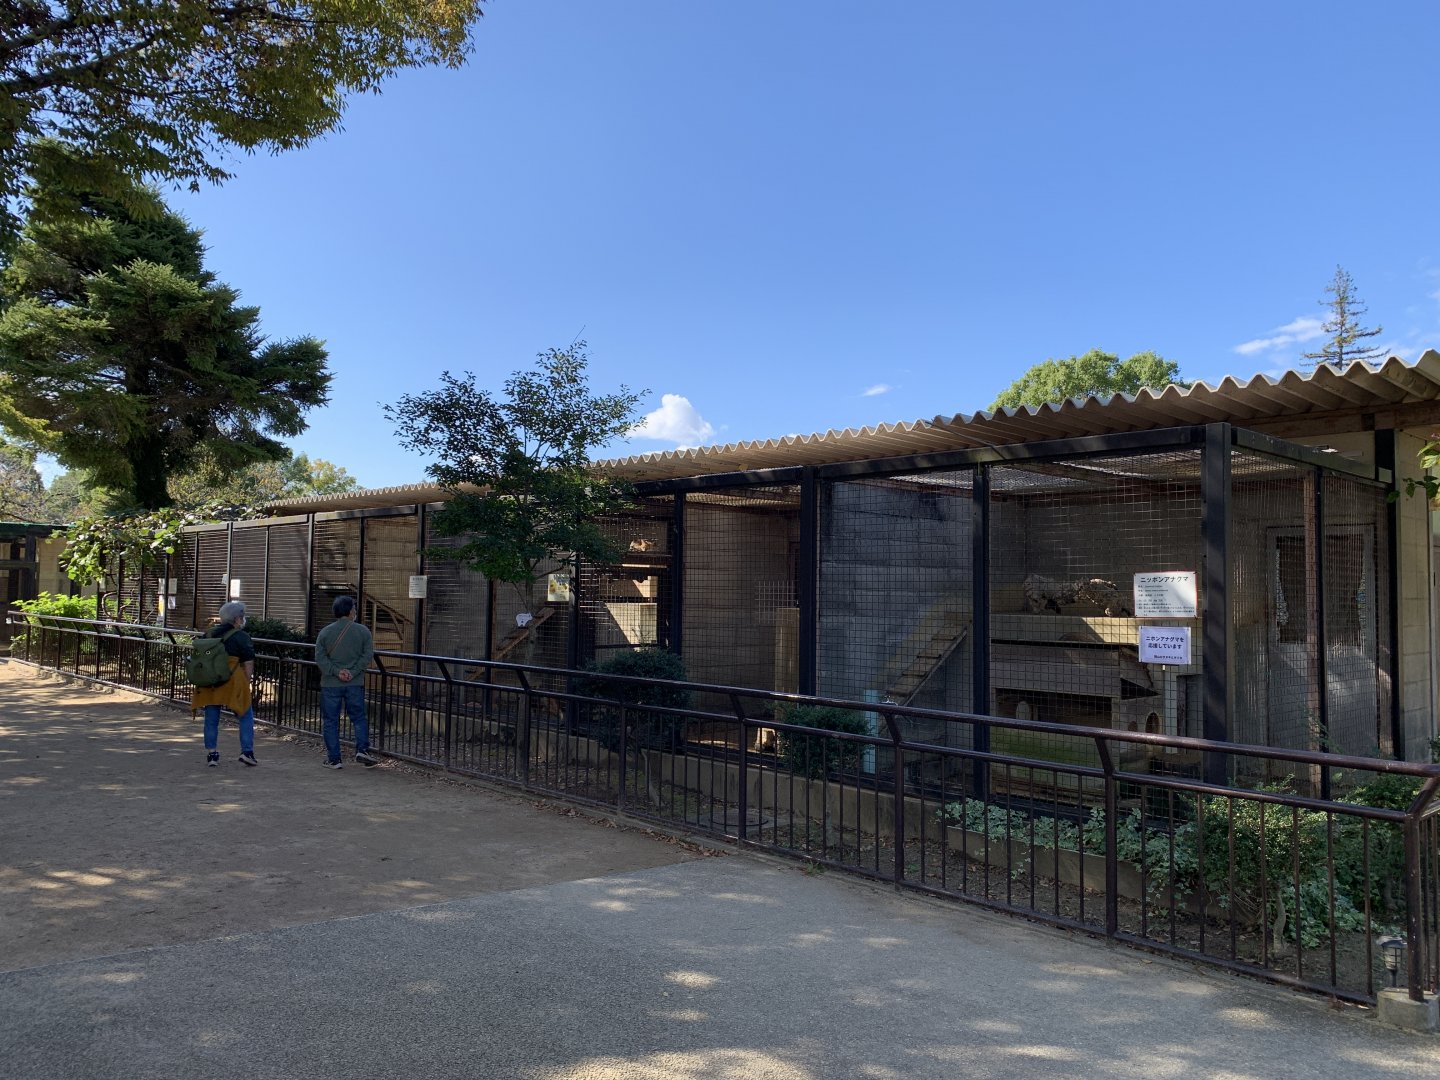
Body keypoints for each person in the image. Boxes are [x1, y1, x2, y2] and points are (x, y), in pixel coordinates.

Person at [192, 601, 258, 767]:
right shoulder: (241, 636)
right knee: (245, 714)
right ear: (237, 619)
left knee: (211, 716)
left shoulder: (208, 634)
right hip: (233, 680)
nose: (243, 619)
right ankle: (247, 752)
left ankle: (212, 754)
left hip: (210, 679)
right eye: (242, 617)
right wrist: (246, 682)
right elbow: (248, 662)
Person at [315, 595, 378, 769]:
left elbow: (320, 658)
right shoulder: (363, 631)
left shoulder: (325, 632)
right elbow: (367, 656)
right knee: (358, 718)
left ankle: (334, 759)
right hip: (354, 682)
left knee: (330, 721)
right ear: (351, 611)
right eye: (355, 608)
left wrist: (336, 671)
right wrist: (353, 671)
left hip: (331, 683)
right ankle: (362, 749)